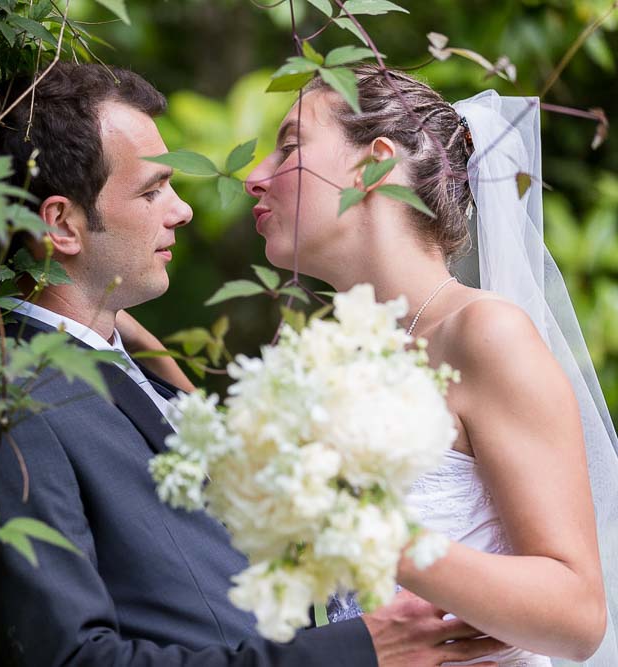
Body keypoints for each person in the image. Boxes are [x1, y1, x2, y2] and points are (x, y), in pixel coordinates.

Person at [0, 62, 507, 666]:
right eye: (152, 190)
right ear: (62, 224)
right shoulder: (6, 399)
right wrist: (352, 653)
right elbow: (72, 660)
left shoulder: (122, 369)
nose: (183, 211)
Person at [225, 65, 616, 665]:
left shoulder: (483, 333)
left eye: (289, 149)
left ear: (375, 164)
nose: (256, 178)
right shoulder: (336, 359)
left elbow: (578, 616)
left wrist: (374, 534)